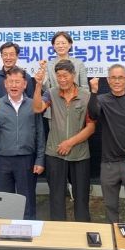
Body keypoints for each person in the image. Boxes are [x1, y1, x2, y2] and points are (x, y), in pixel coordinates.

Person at [33, 59, 95, 222]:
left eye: (65, 75)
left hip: (80, 154)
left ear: (73, 75)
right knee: (56, 198)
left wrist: (70, 143)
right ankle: (58, 232)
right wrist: (38, 85)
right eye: (58, 76)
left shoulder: (86, 96)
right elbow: (37, 108)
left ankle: (82, 229)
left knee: (81, 198)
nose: (62, 79)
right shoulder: (51, 93)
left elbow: (91, 127)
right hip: (55, 153)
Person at [87, 64, 125, 223]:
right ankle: (112, 235)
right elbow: (92, 115)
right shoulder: (101, 100)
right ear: (108, 80)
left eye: (120, 77)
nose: (117, 81)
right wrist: (93, 92)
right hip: (108, 163)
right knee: (110, 206)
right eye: (113, 77)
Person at [0, 67, 45, 219]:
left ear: (24, 84)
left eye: (17, 82)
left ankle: (29, 227)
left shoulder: (33, 104)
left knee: (27, 198)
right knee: (6, 200)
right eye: (10, 82)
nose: (14, 85)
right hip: (2, 159)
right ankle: (7, 229)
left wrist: (40, 159)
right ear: (5, 84)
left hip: (26, 158)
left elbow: (40, 133)